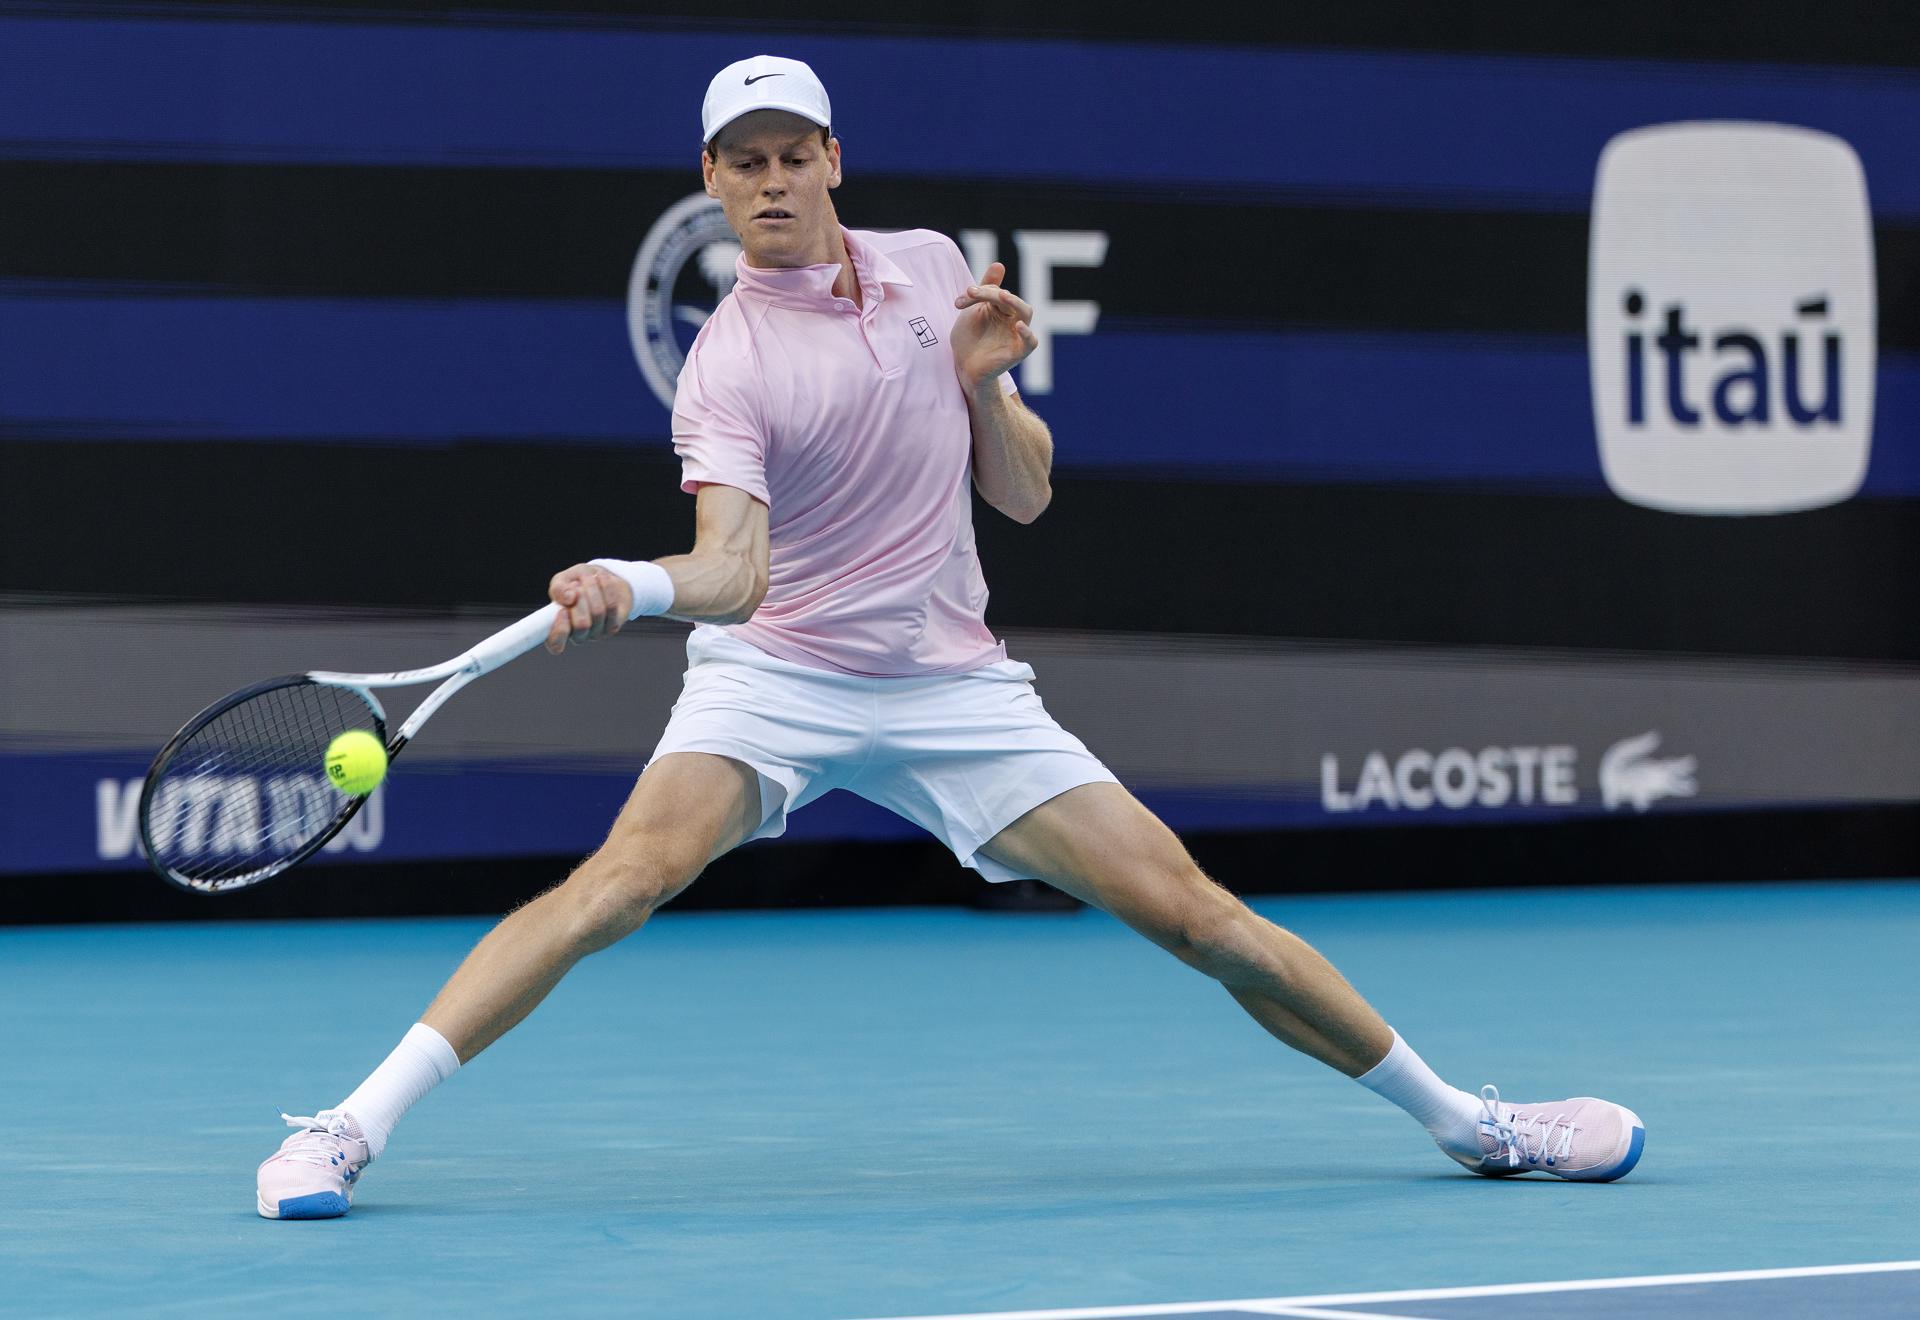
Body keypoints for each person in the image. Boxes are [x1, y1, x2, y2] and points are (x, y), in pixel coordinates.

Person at [256, 54, 1643, 1220]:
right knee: (615, 887)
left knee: (1200, 921)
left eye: (793, 153)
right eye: (744, 164)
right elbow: (735, 576)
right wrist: (638, 578)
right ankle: (350, 1126)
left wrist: (987, 386)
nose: (773, 181)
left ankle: (1473, 1123)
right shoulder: (729, 356)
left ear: (833, 160)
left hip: (952, 685)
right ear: (714, 183)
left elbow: (1026, 493)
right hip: (778, 676)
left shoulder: (929, 272)